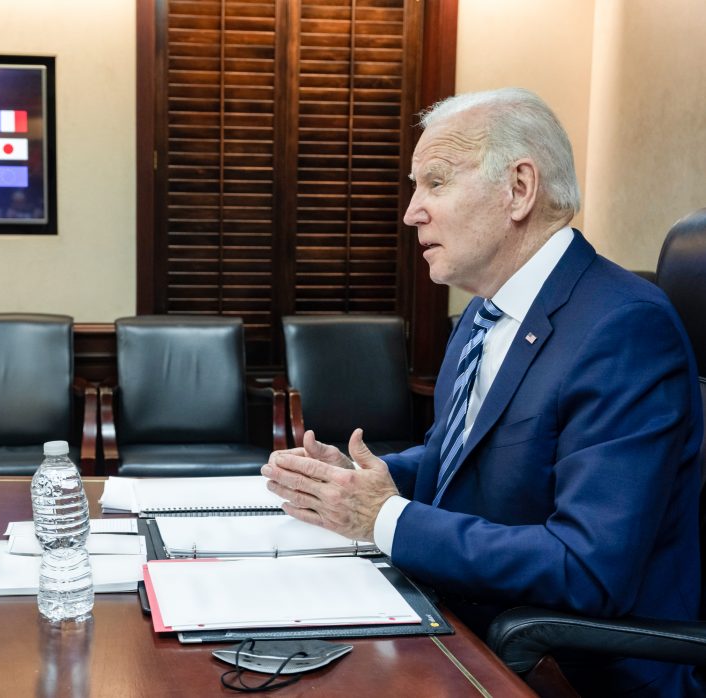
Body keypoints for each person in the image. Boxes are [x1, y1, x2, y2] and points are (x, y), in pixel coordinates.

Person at [261, 87, 702, 696]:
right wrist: (361, 482)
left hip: (579, 671)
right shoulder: (483, 313)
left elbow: (589, 568)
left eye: (435, 183)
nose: (412, 213)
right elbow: (460, 458)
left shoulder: (625, 327)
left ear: (519, 189)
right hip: (468, 619)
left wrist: (386, 518)